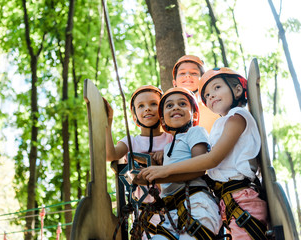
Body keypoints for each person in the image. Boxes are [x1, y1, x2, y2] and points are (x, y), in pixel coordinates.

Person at [139, 67, 268, 240]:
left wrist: (163, 172)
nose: (211, 96)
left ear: (237, 90)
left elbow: (211, 159)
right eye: (206, 95)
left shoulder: (237, 117)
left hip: (241, 198)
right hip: (228, 200)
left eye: (217, 88)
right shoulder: (220, 126)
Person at [142, 87, 222, 240]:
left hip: (196, 204)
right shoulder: (167, 148)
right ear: (163, 120)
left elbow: (199, 168)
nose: (176, 107)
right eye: (169, 106)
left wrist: (159, 176)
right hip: (171, 213)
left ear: (194, 114)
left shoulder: (195, 132)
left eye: (182, 104)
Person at [105, 85, 173, 239]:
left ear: (162, 110)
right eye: (141, 106)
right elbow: (110, 154)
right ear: (135, 116)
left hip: (172, 207)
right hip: (144, 211)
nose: (147, 109)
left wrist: (167, 153)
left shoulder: (171, 139)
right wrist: (108, 123)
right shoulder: (131, 142)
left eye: (153, 104)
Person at [172, 55, 219, 133]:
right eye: (182, 73)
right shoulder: (164, 114)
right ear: (174, 83)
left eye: (194, 73)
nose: (187, 75)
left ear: (202, 81)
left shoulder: (214, 112)